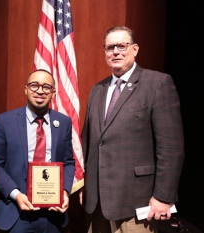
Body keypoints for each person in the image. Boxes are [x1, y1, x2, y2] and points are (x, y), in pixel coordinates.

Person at [79, 26, 185, 233]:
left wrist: (163, 197)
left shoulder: (157, 83)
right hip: (98, 202)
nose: (115, 52)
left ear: (135, 49)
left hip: (137, 202)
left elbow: (171, 148)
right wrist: (86, 185)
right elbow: (89, 142)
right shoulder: (97, 89)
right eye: (110, 48)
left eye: (122, 46)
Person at [0, 69, 75, 233]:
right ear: (26, 89)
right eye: (34, 85)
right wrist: (16, 195)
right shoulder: (5, 121)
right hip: (16, 213)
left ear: (53, 92)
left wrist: (65, 192)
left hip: (52, 215)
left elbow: (69, 163)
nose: (40, 91)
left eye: (46, 87)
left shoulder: (64, 123)